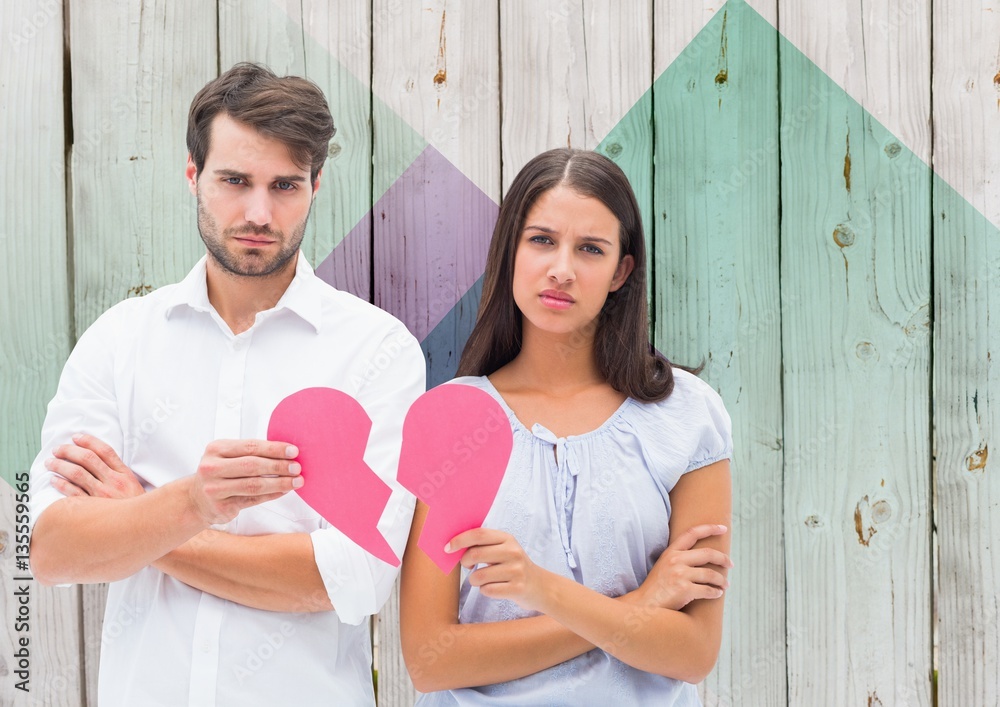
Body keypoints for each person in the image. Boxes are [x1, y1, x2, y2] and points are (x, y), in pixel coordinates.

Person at [28, 63, 425, 706]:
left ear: (316, 185)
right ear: (193, 176)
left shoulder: (377, 352)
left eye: (286, 185)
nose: (259, 212)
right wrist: (193, 503)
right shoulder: (120, 341)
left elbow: (354, 579)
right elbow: (51, 550)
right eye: (234, 181)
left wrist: (143, 516)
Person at [399, 148, 733, 705]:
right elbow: (431, 659)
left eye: (591, 249)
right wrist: (641, 605)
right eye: (542, 240)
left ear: (621, 271)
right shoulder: (453, 420)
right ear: (510, 252)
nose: (562, 269)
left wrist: (541, 589)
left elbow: (692, 653)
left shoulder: (687, 415)